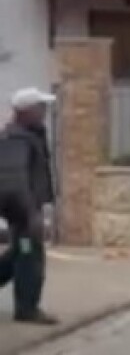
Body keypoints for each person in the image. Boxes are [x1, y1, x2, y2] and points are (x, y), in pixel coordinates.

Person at [0, 88, 58, 324]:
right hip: (22, 210)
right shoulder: (17, 140)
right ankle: (26, 308)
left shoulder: (29, 135)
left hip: (24, 210)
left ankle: (26, 305)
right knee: (29, 255)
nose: (44, 112)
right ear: (26, 112)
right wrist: (31, 214)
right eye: (40, 107)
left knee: (20, 253)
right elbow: (16, 180)